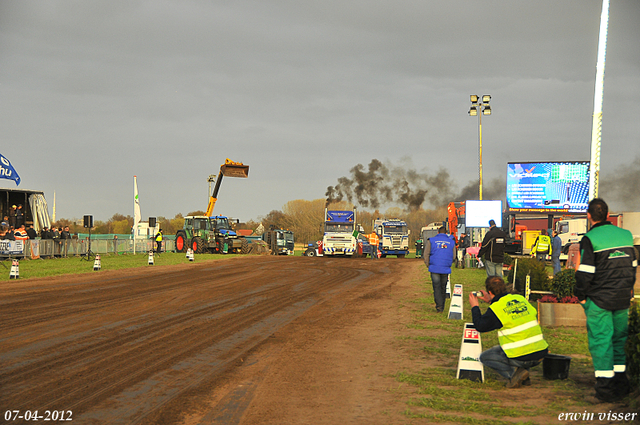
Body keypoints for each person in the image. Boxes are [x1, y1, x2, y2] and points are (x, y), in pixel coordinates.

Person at [575, 198, 637, 403]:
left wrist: (581, 297)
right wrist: (628, 290)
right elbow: (632, 266)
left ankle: (605, 390)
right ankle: (621, 384)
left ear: (589, 215)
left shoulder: (590, 239)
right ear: (608, 214)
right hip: (621, 298)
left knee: (601, 342)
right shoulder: (626, 235)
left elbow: (585, 272)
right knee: (619, 340)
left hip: (599, 299)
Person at [470, 276, 549, 388]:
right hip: (540, 352)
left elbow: (480, 326)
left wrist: (475, 307)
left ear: (489, 292)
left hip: (521, 355)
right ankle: (523, 376)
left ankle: (514, 375)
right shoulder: (520, 299)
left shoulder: (496, 308)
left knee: (486, 356)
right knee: (510, 346)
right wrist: (492, 300)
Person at [423, 226, 455, 313]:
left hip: (434, 267)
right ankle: (442, 306)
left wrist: (428, 264)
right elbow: (454, 256)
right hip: (445, 268)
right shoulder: (451, 242)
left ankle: (439, 306)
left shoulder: (431, 241)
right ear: (446, 233)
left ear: (438, 232)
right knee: (443, 287)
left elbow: (426, 254)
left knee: (436, 287)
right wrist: (448, 264)